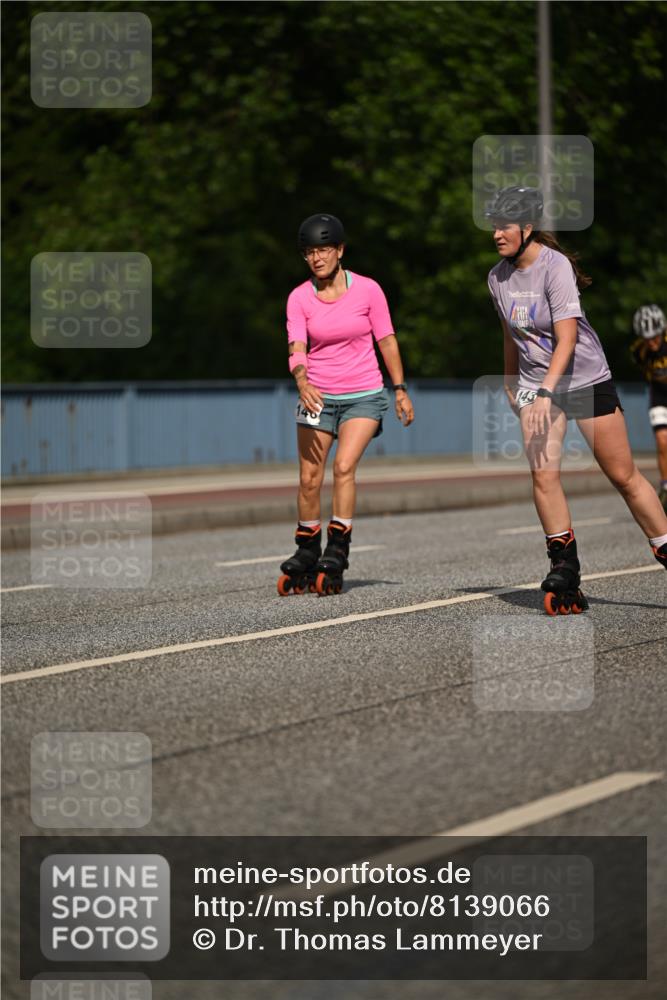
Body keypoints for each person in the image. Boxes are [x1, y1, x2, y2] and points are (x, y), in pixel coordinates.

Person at [485, 186, 667, 614]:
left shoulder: (555, 266)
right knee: (543, 475)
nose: (496, 233)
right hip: (537, 382)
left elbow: (566, 338)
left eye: (504, 225)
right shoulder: (497, 278)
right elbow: (511, 334)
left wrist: (547, 392)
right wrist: (513, 384)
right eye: (492, 225)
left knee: (623, 476)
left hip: (582, 378)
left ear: (528, 228)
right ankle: (564, 568)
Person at [277, 213, 414, 596]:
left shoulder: (368, 290)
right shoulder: (299, 298)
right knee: (308, 478)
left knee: (343, 466)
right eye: (309, 252)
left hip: (364, 395)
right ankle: (307, 551)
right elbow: (296, 345)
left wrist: (399, 388)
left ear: (339, 250)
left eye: (323, 250)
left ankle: (337, 549)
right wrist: (302, 380)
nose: (316, 258)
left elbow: (386, 339)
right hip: (317, 394)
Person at [630, 304, 667, 512]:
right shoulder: (639, 351)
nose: (652, 343)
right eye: (647, 338)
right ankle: (666, 486)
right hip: (659, 397)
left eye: (655, 337)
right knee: (662, 440)